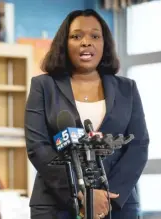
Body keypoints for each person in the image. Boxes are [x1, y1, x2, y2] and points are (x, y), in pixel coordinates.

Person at [24, 9, 149, 219]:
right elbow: (38, 146)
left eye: (94, 36)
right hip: (56, 205)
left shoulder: (127, 88)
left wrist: (107, 198)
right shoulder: (43, 86)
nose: (86, 42)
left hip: (118, 204)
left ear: (104, 43)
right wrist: (82, 195)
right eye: (76, 36)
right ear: (64, 43)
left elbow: (138, 145)